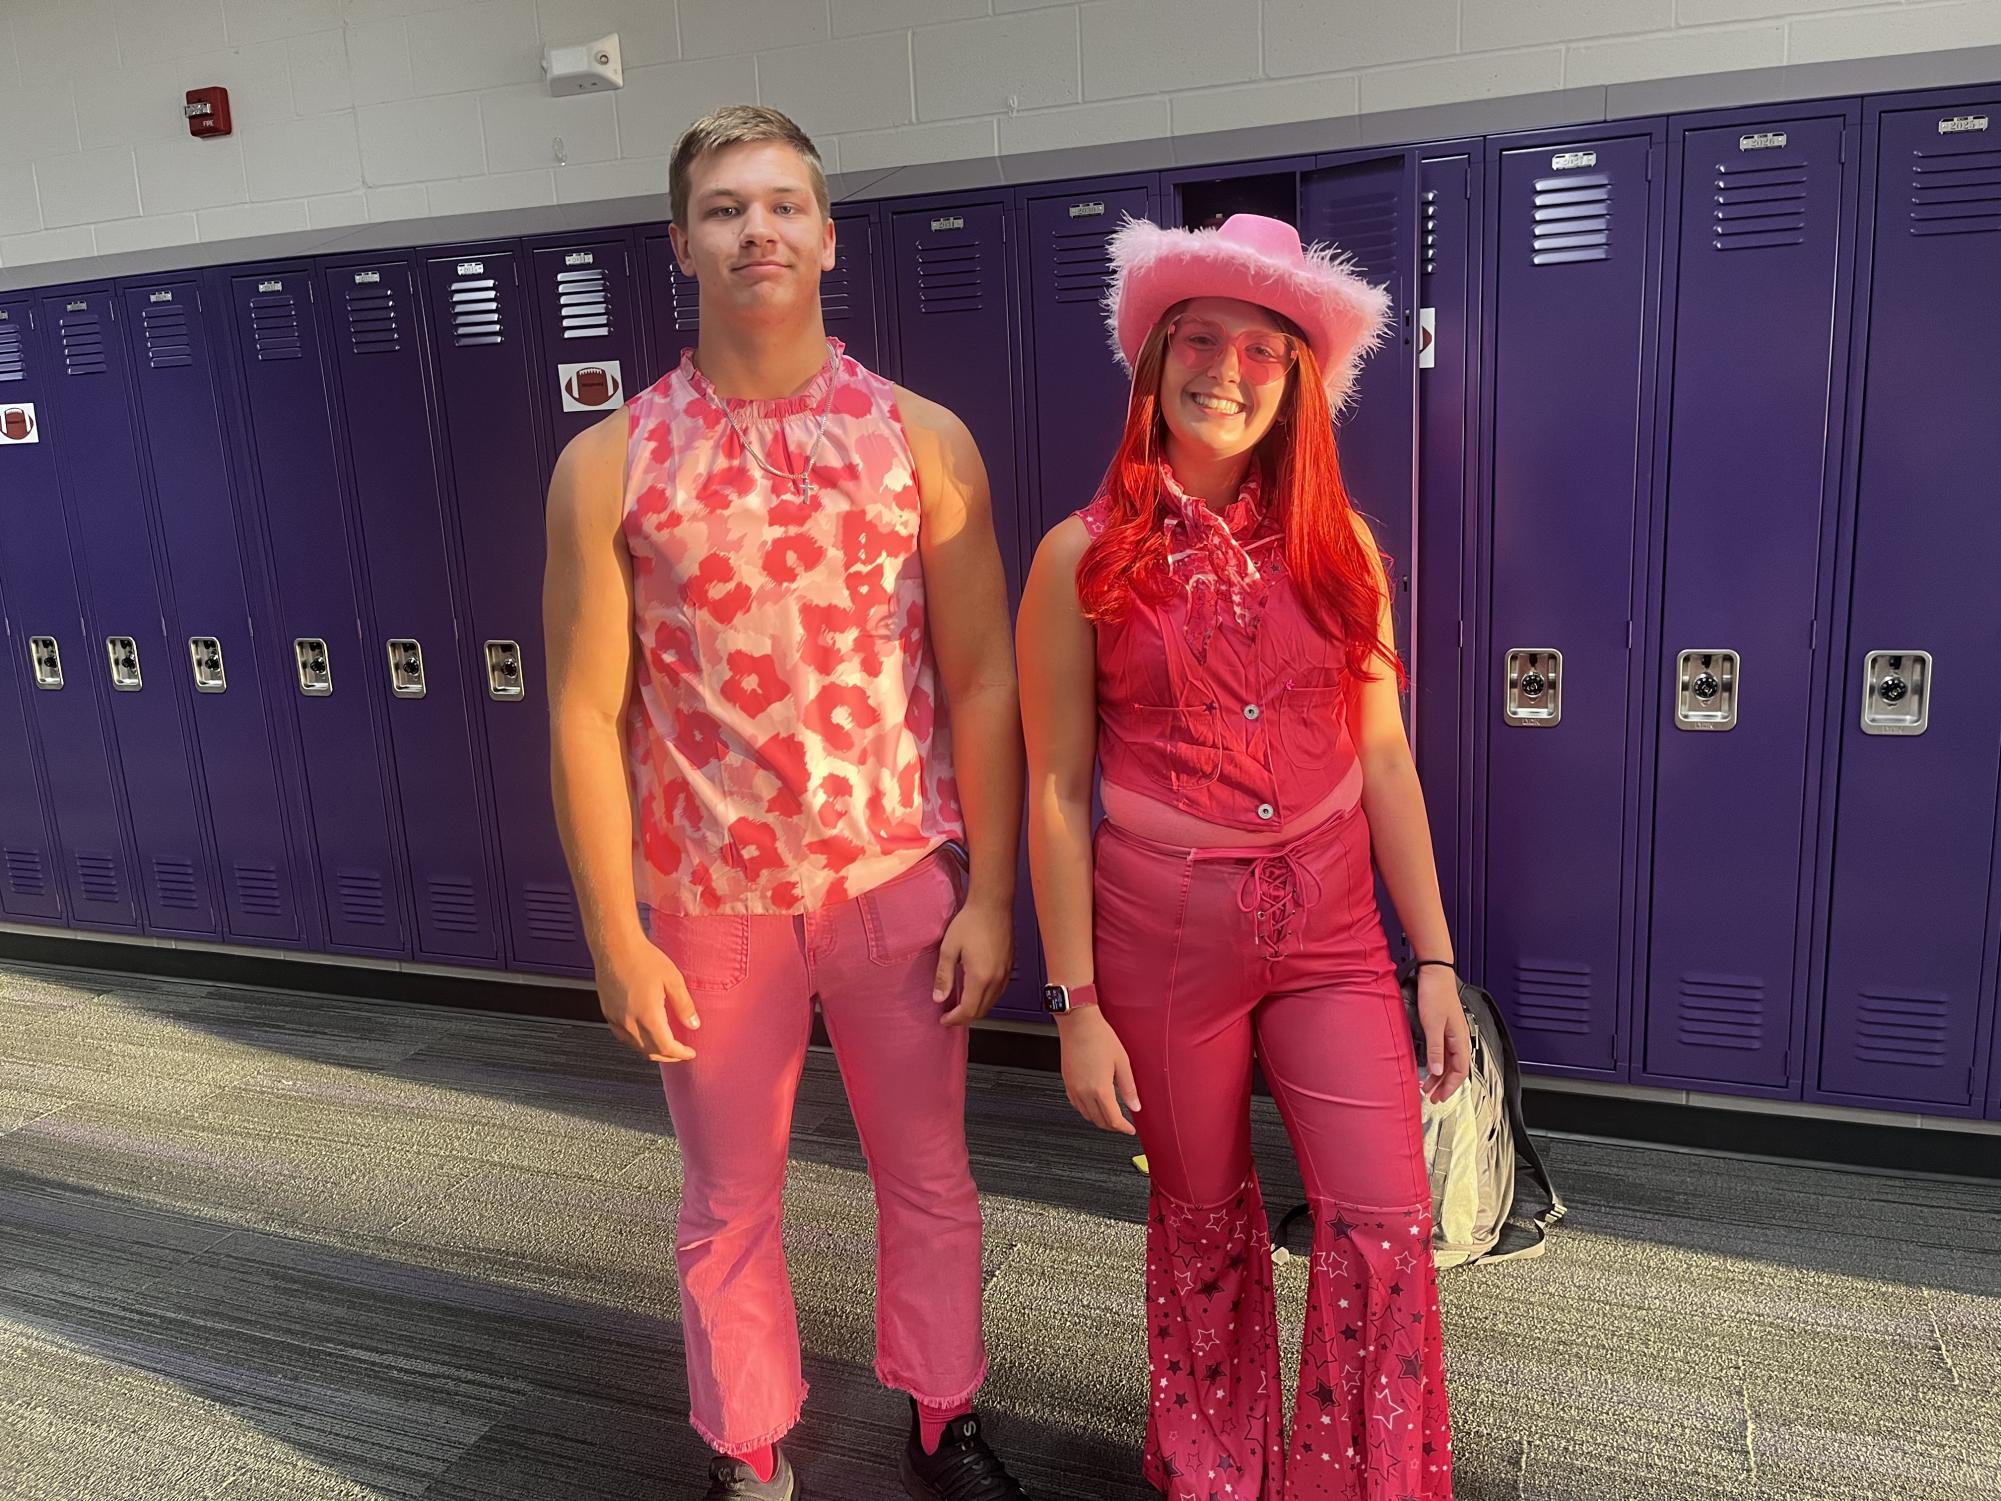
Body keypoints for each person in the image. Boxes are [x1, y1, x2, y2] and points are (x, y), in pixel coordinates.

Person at [544, 105, 1029, 1501]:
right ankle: (747, 1446)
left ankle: (946, 1408)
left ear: (825, 237)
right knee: (725, 1200)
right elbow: (581, 707)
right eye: (722, 207)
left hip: (893, 884)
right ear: (681, 245)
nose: (755, 228)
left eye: (780, 204)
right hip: (709, 899)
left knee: (929, 1178)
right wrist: (610, 937)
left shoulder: (921, 442)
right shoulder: (609, 463)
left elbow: (984, 678)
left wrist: (989, 890)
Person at [1016, 212, 1470, 1500]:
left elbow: (1384, 762)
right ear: (1152, 364)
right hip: (1159, 934)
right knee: (1202, 1220)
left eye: (1264, 350)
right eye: (1200, 341)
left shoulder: (1343, 553)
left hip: (1330, 928)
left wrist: (1430, 958)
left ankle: (1363, 1485)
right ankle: (1218, 1476)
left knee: (1384, 1221)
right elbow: (1055, 787)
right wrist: (1074, 1004)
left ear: (1299, 382)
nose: (1227, 371)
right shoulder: (1082, 558)